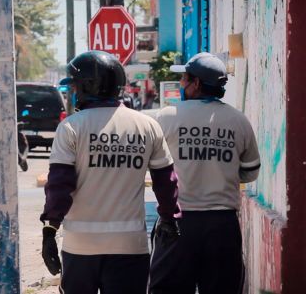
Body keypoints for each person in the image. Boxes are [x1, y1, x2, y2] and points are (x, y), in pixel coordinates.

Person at [39, 50, 180, 294]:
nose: (72, 93)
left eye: (73, 87)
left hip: (80, 248)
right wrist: (169, 218)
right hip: (130, 246)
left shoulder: (72, 127)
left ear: (88, 86)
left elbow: (59, 186)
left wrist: (50, 230)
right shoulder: (147, 126)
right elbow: (166, 182)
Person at [148, 52, 261, 294]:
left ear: (196, 83)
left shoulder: (167, 118)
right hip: (222, 226)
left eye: (184, 79)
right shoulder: (239, 120)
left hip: (177, 223)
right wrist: (219, 171)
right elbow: (250, 172)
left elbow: (152, 166)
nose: (181, 84)